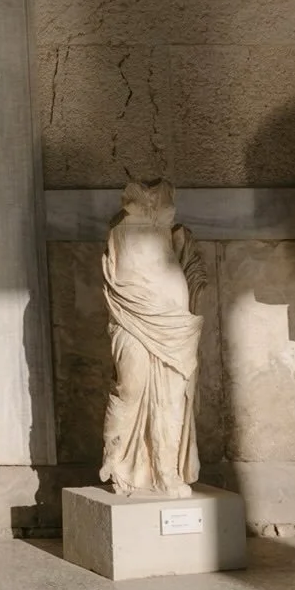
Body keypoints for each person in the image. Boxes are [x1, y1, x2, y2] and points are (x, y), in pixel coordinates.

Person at [98, 179, 205, 499]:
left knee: (172, 397)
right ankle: (117, 460)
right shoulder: (119, 226)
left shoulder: (173, 229)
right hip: (130, 309)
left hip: (173, 318)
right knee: (130, 385)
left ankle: (166, 470)